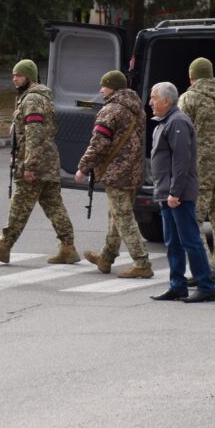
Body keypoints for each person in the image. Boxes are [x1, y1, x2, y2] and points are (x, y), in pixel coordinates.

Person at [0, 59, 80, 265]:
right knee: (54, 206)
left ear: (29, 77)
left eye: (18, 75)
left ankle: (4, 245)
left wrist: (30, 165)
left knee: (20, 204)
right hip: (48, 161)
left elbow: (34, 133)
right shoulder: (38, 97)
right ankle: (68, 247)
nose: (14, 79)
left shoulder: (32, 99)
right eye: (13, 75)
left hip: (36, 163)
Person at [75, 71, 154, 278]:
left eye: (104, 86)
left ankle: (141, 262)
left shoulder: (111, 110)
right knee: (115, 215)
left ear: (113, 87)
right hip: (133, 172)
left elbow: (99, 143)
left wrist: (83, 167)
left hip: (116, 173)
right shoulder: (137, 109)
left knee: (123, 217)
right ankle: (106, 258)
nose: (101, 90)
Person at [147, 81, 215, 303]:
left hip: (178, 195)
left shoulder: (177, 122)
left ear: (167, 101)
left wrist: (175, 193)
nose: (150, 102)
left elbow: (181, 162)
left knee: (190, 241)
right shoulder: (164, 121)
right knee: (173, 243)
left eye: (154, 98)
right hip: (167, 193)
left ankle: (206, 286)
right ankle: (177, 285)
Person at [176, 58, 215, 285]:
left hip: (199, 172)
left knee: (193, 222)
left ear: (192, 77)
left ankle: (206, 269)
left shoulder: (189, 98)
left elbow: (179, 135)